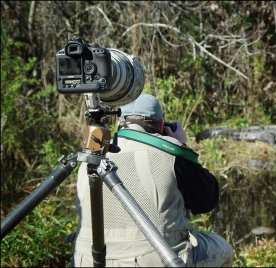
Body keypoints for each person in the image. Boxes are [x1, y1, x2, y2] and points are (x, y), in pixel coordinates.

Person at [72, 93, 233, 267]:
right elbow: (206, 202)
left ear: (119, 122)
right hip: (155, 259)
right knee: (222, 248)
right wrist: (179, 145)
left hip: (89, 260)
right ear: (162, 124)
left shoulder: (91, 158)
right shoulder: (170, 154)